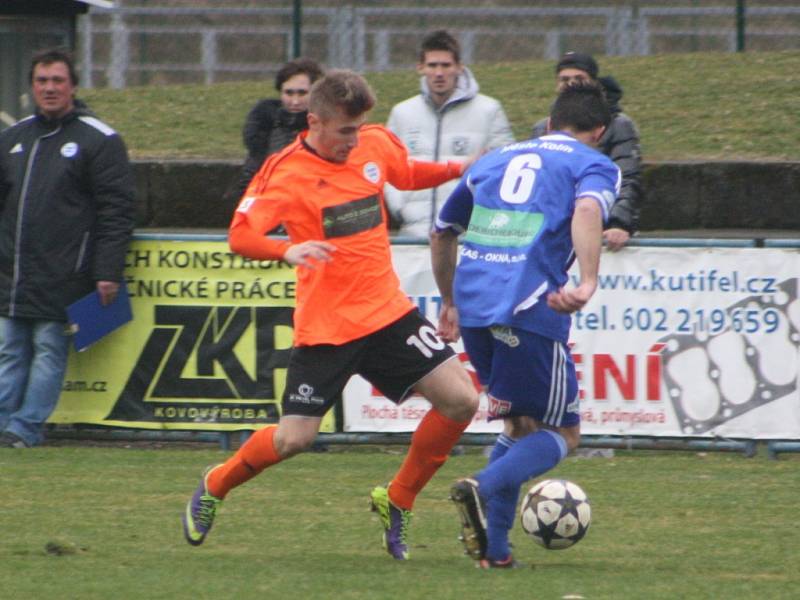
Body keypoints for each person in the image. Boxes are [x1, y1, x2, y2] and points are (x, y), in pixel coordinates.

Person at [181, 70, 479, 561]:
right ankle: (215, 483)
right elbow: (240, 234)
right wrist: (287, 250)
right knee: (295, 438)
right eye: (344, 131)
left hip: (386, 312)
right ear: (313, 121)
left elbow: (403, 173)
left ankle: (397, 498)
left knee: (461, 401)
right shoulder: (285, 171)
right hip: (327, 329)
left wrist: (456, 168)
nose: (354, 140)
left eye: (359, 129)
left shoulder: (373, 142)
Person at [430, 82, 620, 568]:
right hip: (530, 306)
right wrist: (589, 279)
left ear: (550, 122)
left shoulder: (494, 160)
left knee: (520, 423)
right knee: (565, 431)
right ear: (599, 131)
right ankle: (481, 485)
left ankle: (495, 551)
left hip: (475, 310)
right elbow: (586, 209)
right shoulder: (593, 163)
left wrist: (449, 299)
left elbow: (442, 230)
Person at [0, 49, 135, 448]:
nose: (49, 88)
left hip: (65, 271)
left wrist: (107, 269)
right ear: (31, 87)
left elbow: (118, 211)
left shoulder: (100, 139)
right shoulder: (12, 137)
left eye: (58, 81)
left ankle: (26, 427)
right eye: (42, 81)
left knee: (47, 349)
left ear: (73, 86)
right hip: (12, 271)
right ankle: (4, 423)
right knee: (8, 349)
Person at [384, 29, 514, 237]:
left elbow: (505, 168)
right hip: (413, 234)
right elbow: (387, 168)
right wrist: (399, 209)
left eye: (446, 65)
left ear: (459, 68)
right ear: (421, 68)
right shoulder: (401, 113)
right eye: (432, 65)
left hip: (465, 237)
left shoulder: (489, 110)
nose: (439, 73)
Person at [531, 51, 642, 251]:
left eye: (579, 78)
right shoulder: (542, 127)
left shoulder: (618, 125)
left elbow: (627, 177)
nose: (571, 84)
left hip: (602, 228)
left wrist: (619, 223)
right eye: (564, 79)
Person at [226, 57, 325, 204]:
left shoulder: (327, 130)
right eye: (289, 93)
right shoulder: (264, 128)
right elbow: (250, 177)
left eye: (302, 93)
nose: (295, 101)